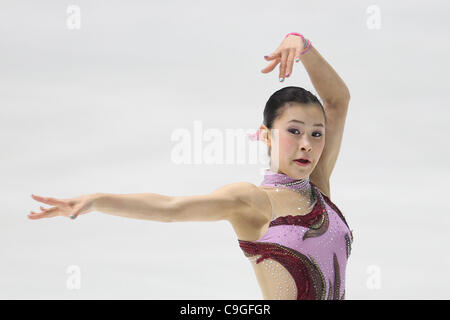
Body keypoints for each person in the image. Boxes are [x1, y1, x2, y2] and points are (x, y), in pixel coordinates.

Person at [28, 32, 353, 300]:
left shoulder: (318, 188)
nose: (307, 144)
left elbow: (337, 102)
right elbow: (171, 207)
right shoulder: (252, 201)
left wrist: (303, 46)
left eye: (316, 134)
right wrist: (98, 201)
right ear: (266, 136)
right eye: (293, 131)